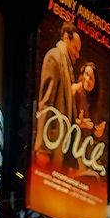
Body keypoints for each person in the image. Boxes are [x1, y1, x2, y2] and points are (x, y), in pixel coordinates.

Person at [33, 22, 80, 169]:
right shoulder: (54, 57)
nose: (77, 55)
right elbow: (45, 104)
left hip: (59, 152)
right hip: (49, 150)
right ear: (66, 37)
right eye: (75, 49)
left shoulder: (67, 68)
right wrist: (42, 148)